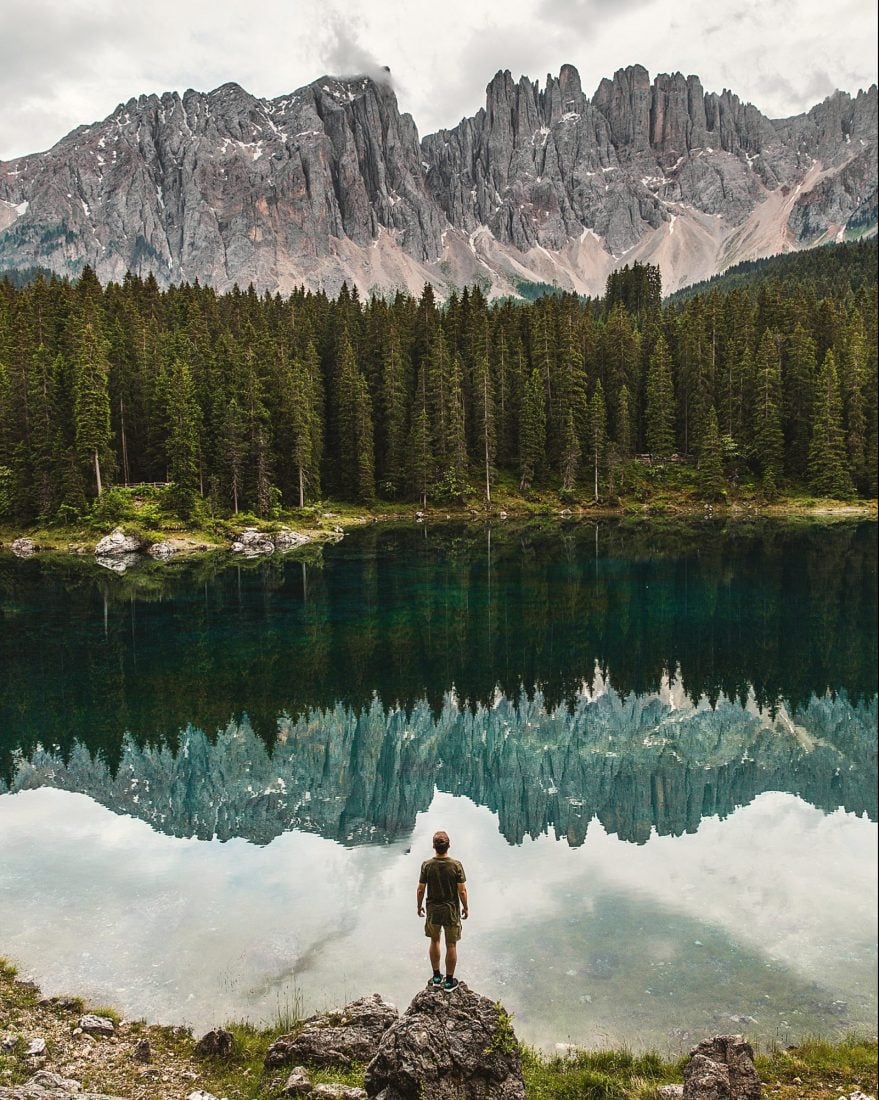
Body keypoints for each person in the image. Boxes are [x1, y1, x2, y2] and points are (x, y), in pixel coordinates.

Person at [416, 829, 468, 990]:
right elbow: (462, 890)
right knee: (451, 944)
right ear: (448, 846)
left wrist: (419, 906)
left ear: (433, 846)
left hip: (433, 909)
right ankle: (449, 981)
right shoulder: (456, 865)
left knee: (434, 940)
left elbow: (420, 889)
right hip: (450, 909)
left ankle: (437, 976)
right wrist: (466, 907)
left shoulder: (427, 865)